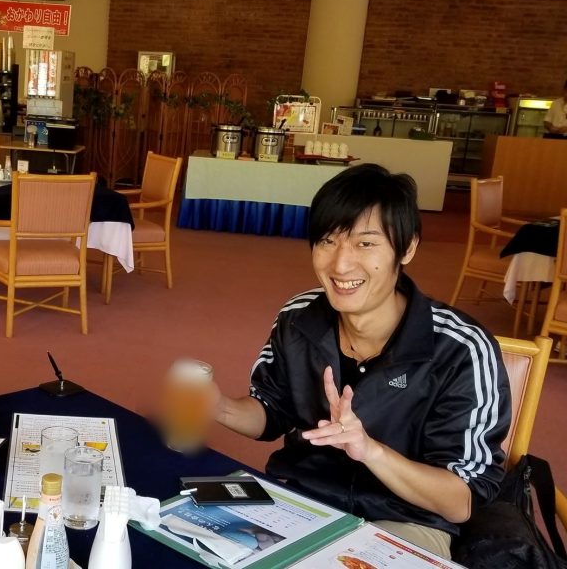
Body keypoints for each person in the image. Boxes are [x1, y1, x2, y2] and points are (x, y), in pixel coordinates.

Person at [213, 164, 510, 559]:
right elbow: (271, 411)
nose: (340, 265)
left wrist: (370, 450)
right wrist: (218, 407)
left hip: (405, 521)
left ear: (407, 248)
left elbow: (460, 501)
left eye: (365, 244)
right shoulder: (299, 318)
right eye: (327, 241)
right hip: (302, 502)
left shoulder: (460, 348)